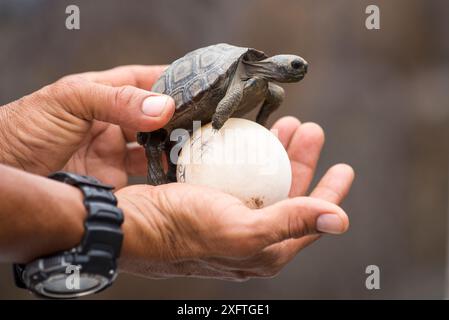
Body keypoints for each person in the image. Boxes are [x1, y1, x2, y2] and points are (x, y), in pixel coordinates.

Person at [0, 65, 354, 281]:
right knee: (156, 141)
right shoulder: (238, 87)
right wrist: (141, 227)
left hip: (193, 122)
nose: (295, 72)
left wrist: (8, 150)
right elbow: (223, 109)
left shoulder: (262, 86)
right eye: (291, 67)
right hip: (184, 111)